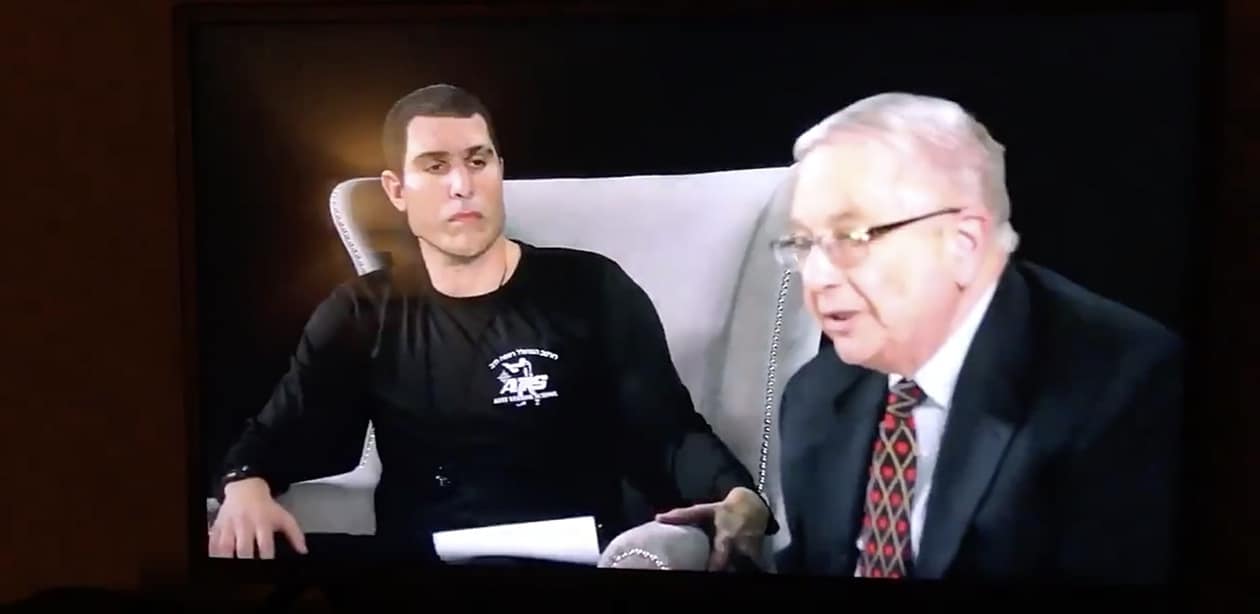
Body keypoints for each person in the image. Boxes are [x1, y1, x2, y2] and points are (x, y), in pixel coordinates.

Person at [207, 84, 773, 568]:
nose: (462, 184)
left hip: (575, 559)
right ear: (397, 190)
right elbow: (282, 431)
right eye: (435, 166)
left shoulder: (591, 288)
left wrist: (735, 492)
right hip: (422, 564)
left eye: (478, 161)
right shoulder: (362, 312)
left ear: (499, 170)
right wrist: (244, 483)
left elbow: (668, 431)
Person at [772, 93, 1180, 583]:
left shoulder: (1121, 386)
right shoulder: (815, 395)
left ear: (964, 243)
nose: (817, 277)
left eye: (852, 237)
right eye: (803, 243)